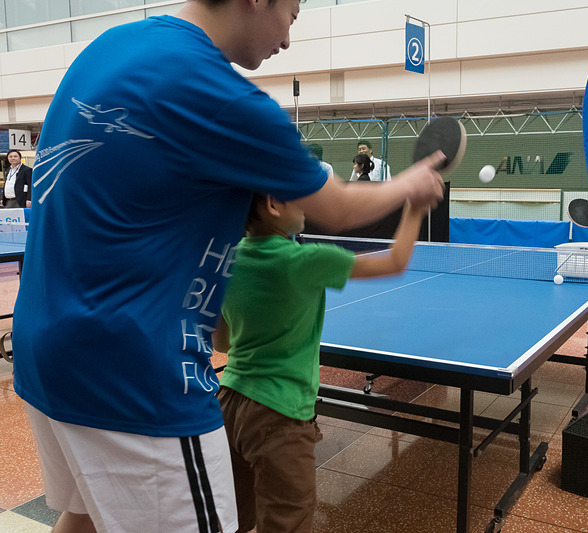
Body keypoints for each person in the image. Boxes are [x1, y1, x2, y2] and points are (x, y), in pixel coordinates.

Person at [12, 1, 445, 531]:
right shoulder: (221, 94)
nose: (288, 38)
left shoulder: (109, 48)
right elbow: (337, 208)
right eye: (291, 14)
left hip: (45, 351)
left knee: (82, 517)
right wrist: (412, 185)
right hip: (135, 374)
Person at [212, 193, 424, 533]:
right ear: (272, 204)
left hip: (229, 405)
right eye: (299, 196)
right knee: (287, 522)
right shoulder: (307, 260)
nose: (306, 206)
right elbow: (395, 261)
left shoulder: (227, 260)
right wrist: (415, 208)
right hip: (279, 415)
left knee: (232, 519)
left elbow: (222, 342)